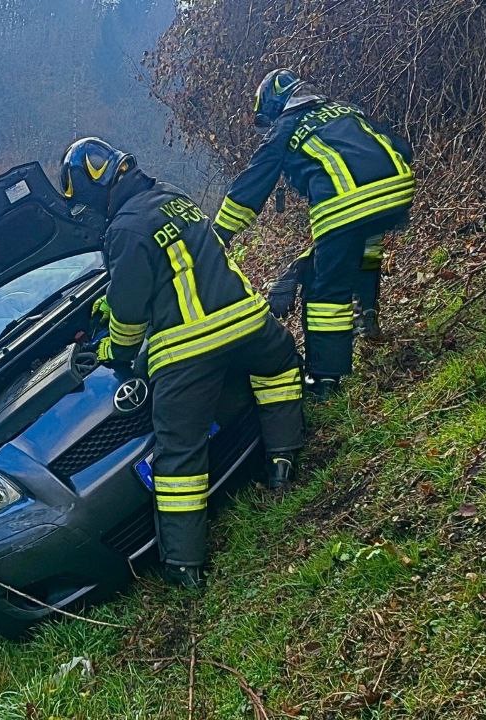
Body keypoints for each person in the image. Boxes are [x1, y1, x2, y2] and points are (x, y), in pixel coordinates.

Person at [60, 137, 305, 589]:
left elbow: (130, 310)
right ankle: (283, 463)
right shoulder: (174, 197)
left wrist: (116, 351)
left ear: (93, 191)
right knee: (280, 370)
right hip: (249, 324)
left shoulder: (125, 230)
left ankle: (184, 566)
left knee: (179, 457)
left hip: (190, 350)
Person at [213, 69, 416, 400]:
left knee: (326, 287)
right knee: (364, 246)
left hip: (346, 201)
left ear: (275, 105)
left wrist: (219, 234)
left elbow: (253, 183)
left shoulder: (285, 127)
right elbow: (398, 147)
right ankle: (367, 310)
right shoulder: (345, 109)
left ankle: (324, 379)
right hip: (398, 187)